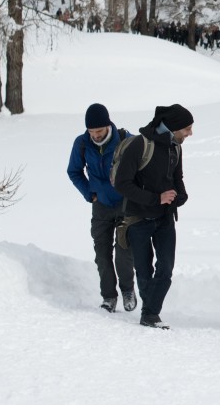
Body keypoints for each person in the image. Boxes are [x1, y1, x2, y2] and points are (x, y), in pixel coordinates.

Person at [113, 104, 193, 330]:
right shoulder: (140, 145)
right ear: (174, 127)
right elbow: (122, 183)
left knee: (166, 269)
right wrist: (155, 198)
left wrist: (181, 196)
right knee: (144, 269)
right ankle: (150, 315)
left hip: (165, 218)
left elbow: (178, 180)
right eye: (187, 128)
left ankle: (149, 312)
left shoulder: (175, 148)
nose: (190, 133)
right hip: (137, 218)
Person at [67, 103, 136, 313]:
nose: (95, 135)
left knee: (124, 252)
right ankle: (108, 296)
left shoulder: (126, 140)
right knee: (102, 254)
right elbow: (74, 171)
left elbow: (142, 168)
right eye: (91, 131)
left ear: (108, 125)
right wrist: (90, 194)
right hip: (101, 207)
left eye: (99, 131)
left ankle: (127, 291)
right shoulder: (81, 144)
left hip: (125, 204)